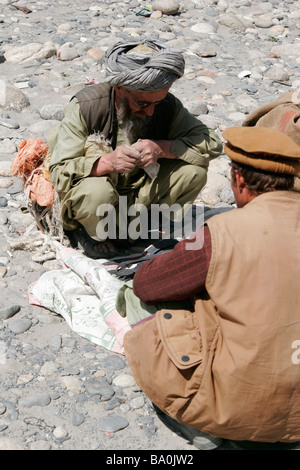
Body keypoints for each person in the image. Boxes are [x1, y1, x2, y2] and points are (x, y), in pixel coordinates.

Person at [122, 126, 300, 447]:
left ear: (239, 180)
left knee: (150, 299)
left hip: (240, 408)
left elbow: (148, 285)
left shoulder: (222, 231)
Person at [47, 39, 222, 258]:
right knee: (96, 192)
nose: (150, 112)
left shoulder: (165, 105)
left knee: (193, 173)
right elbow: (59, 172)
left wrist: (161, 148)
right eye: (142, 104)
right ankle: (89, 232)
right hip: (96, 195)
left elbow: (212, 143)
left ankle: (140, 230)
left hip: (140, 193)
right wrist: (107, 163)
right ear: (120, 89)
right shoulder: (87, 106)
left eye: (156, 104)